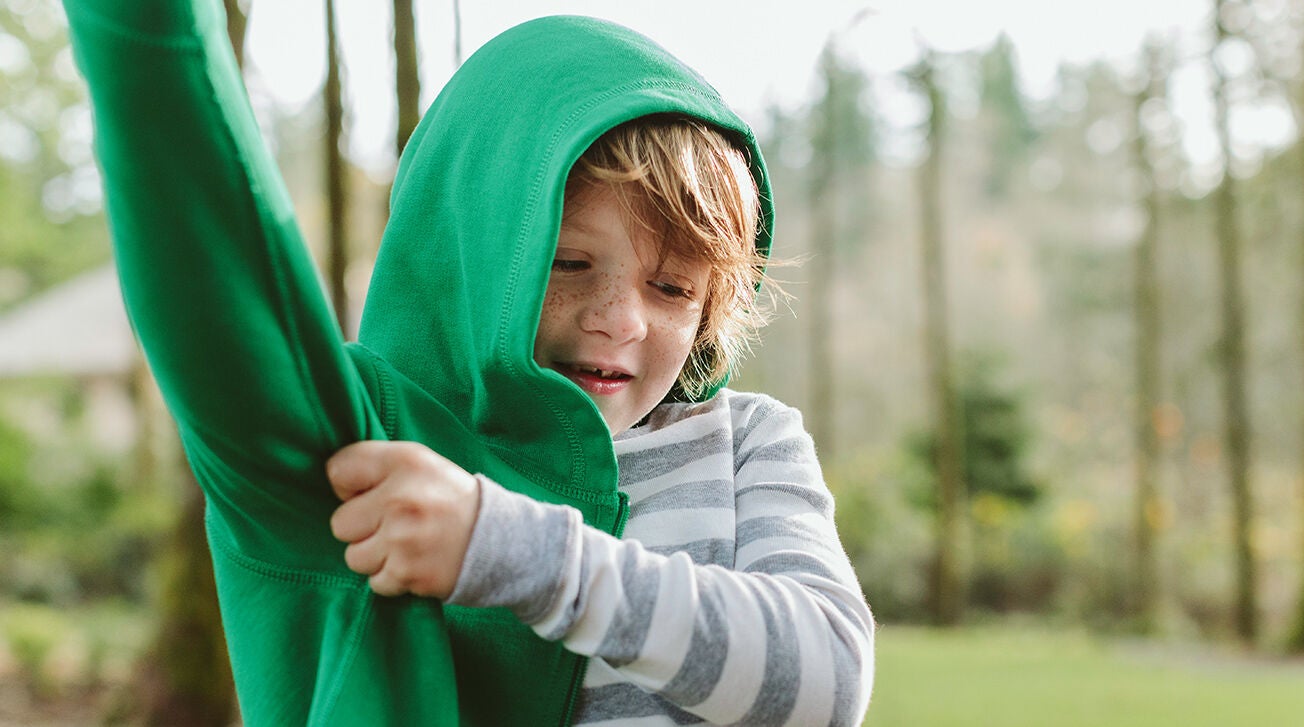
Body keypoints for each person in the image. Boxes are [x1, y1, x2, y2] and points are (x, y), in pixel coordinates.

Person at [64, 0, 874, 724]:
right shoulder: (374, 437)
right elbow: (209, 249)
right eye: (566, 264)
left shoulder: (748, 444)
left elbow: (830, 680)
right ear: (470, 252)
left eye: (671, 286)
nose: (623, 319)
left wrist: (514, 552)